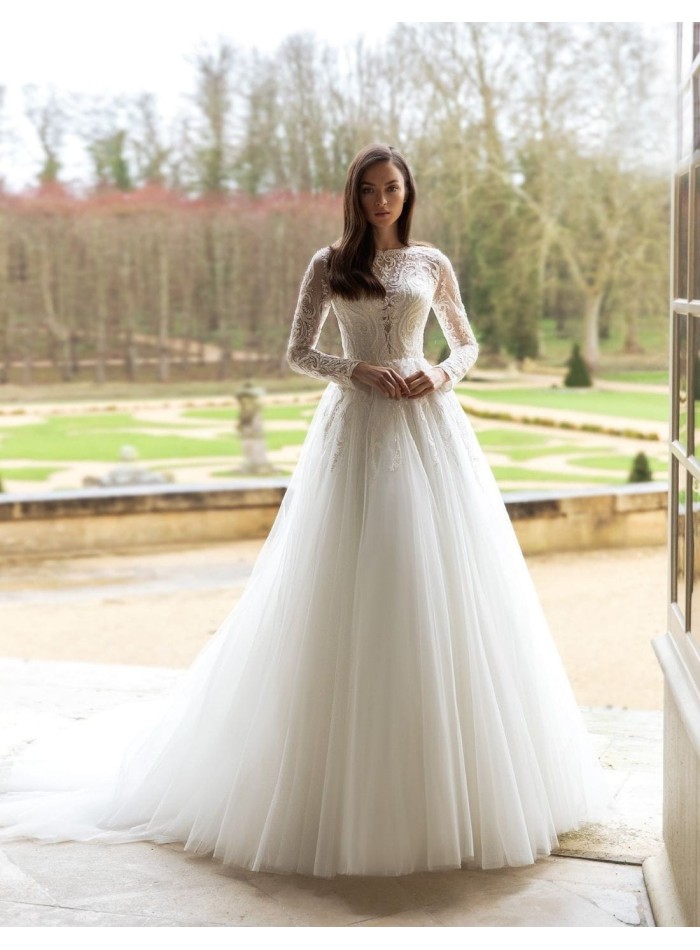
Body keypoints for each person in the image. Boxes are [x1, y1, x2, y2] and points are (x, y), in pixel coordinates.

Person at [0, 143, 603, 878]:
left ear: (408, 192)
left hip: (427, 426)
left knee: (441, 583)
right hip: (356, 427)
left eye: (394, 189)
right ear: (353, 197)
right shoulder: (327, 264)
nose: (383, 201)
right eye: (371, 191)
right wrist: (357, 369)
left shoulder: (432, 262)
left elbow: (467, 341)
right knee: (349, 584)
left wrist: (440, 373)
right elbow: (297, 350)